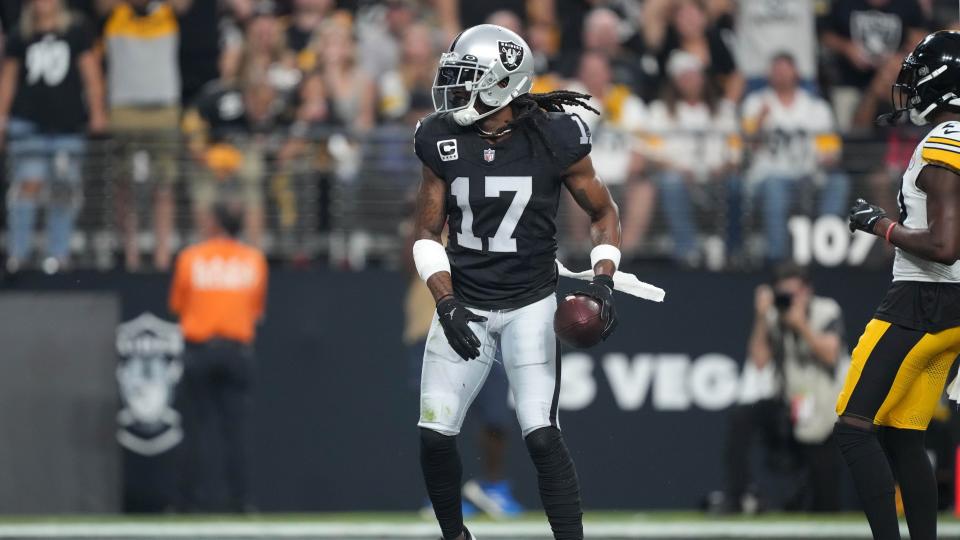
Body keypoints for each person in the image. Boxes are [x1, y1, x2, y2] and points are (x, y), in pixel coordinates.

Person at [412, 24, 621, 540]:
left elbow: (604, 213)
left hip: (529, 302)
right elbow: (426, 233)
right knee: (435, 436)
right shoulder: (440, 136)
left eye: (468, 78)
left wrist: (603, 280)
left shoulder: (555, 135)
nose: (454, 89)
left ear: (502, 84)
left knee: (542, 434)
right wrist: (445, 303)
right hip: (467, 300)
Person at [839, 31, 960, 540]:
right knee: (900, 433)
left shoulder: (944, 140)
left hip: (923, 299)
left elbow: (944, 244)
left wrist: (879, 226)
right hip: (949, 306)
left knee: (853, 427)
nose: (908, 87)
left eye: (916, 75)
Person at [720, 263, 845, 513]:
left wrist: (801, 325)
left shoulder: (826, 310)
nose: (790, 300)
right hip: (790, 404)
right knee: (742, 418)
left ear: (807, 291)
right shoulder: (775, 316)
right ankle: (737, 497)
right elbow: (758, 360)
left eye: (795, 293)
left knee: (826, 502)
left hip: (826, 411)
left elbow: (831, 354)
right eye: (784, 294)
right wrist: (761, 317)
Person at [169, 201, 268, 513]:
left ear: (214, 223)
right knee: (236, 431)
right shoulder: (254, 260)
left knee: (194, 431)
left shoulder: (190, 258)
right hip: (237, 353)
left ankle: (187, 504)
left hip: (200, 351)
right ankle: (242, 503)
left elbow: (177, 305)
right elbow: (256, 311)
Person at [0, 0, 106, 273]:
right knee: (28, 186)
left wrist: (97, 111)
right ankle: (18, 253)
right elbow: (8, 80)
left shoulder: (76, 31)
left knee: (63, 190)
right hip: (28, 123)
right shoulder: (20, 34)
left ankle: (58, 254)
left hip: (67, 125)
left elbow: (90, 73)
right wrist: (2, 120)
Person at [99, 0, 192, 271]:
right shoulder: (117, 13)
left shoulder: (165, 12)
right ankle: (131, 255)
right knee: (123, 181)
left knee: (164, 183)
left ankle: (162, 256)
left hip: (163, 106)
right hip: (124, 106)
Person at [741, 53, 850, 262]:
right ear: (768, 75)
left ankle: (824, 252)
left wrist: (825, 158)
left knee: (839, 182)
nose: (781, 74)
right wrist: (759, 123)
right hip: (768, 176)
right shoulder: (754, 104)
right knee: (775, 187)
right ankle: (777, 260)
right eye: (776, 70)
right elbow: (744, 151)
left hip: (808, 175)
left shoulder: (816, 108)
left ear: (796, 73)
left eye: (785, 69)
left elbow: (832, 153)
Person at [643, 50, 741, 265]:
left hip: (717, 177)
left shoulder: (724, 111)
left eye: (694, 75)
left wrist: (722, 168)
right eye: (684, 77)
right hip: (678, 176)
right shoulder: (659, 111)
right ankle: (687, 251)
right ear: (675, 82)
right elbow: (652, 154)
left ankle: (732, 251)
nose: (690, 81)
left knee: (735, 184)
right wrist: (677, 169)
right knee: (671, 182)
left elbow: (735, 153)